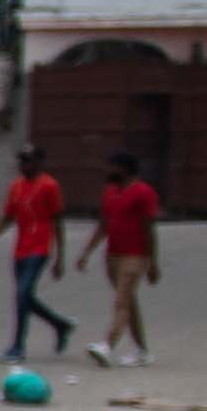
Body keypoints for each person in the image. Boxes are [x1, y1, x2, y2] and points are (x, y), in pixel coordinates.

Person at [0, 141, 71, 362]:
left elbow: (57, 222)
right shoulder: (16, 187)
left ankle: (17, 346)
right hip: (21, 250)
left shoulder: (49, 186)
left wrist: (60, 257)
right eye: (21, 161)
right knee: (25, 297)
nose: (24, 165)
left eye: (28, 161)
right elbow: (6, 221)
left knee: (22, 295)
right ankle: (60, 325)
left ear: (39, 163)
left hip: (40, 248)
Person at [76, 146, 163, 365]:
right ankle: (142, 351)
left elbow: (149, 229)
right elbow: (103, 225)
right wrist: (86, 252)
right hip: (112, 256)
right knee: (128, 302)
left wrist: (153, 263)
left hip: (135, 256)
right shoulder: (110, 192)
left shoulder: (144, 192)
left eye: (112, 166)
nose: (108, 170)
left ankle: (107, 346)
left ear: (124, 168)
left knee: (121, 300)